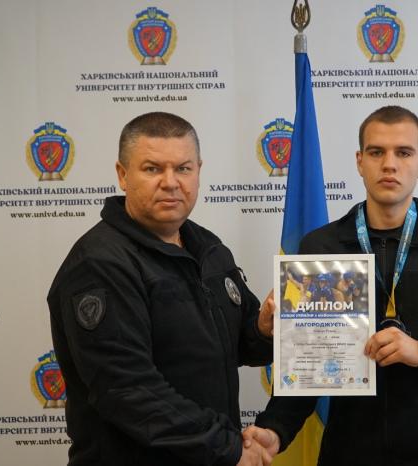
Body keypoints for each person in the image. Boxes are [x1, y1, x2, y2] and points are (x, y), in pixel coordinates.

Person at [245, 106, 418, 465]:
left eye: (403, 153)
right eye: (376, 152)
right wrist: (275, 428)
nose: (389, 164)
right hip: (349, 454)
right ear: (360, 162)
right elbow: (310, 365)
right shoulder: (323, 247)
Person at [47, 112, 275, 466]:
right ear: (123, 175)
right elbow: (128, 391)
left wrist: (262, 329)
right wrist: (226, 447)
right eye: (153, 169)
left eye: (183, 168)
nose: (170, 182)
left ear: (198, 171)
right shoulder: (100, 264)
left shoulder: (208, 247)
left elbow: (235, 346)